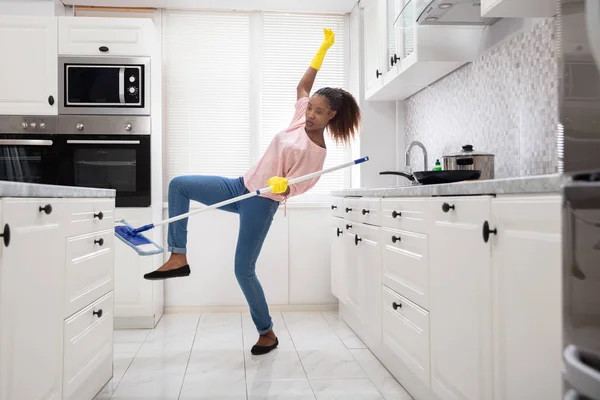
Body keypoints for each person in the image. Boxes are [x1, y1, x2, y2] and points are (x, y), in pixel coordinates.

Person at [143, 28, 361, 355]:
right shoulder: (301, 116)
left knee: (242, 269)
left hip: (261, 203)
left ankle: (267, 333)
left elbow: (302, 184)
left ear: (331, 116)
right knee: (180, 185)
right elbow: (303, 86)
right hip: (240, 185)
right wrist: (323, 49)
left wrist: (284, 185)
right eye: (310, 108)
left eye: (318, 112)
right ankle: (178, 256)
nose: (310, 114)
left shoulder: (316, 151)